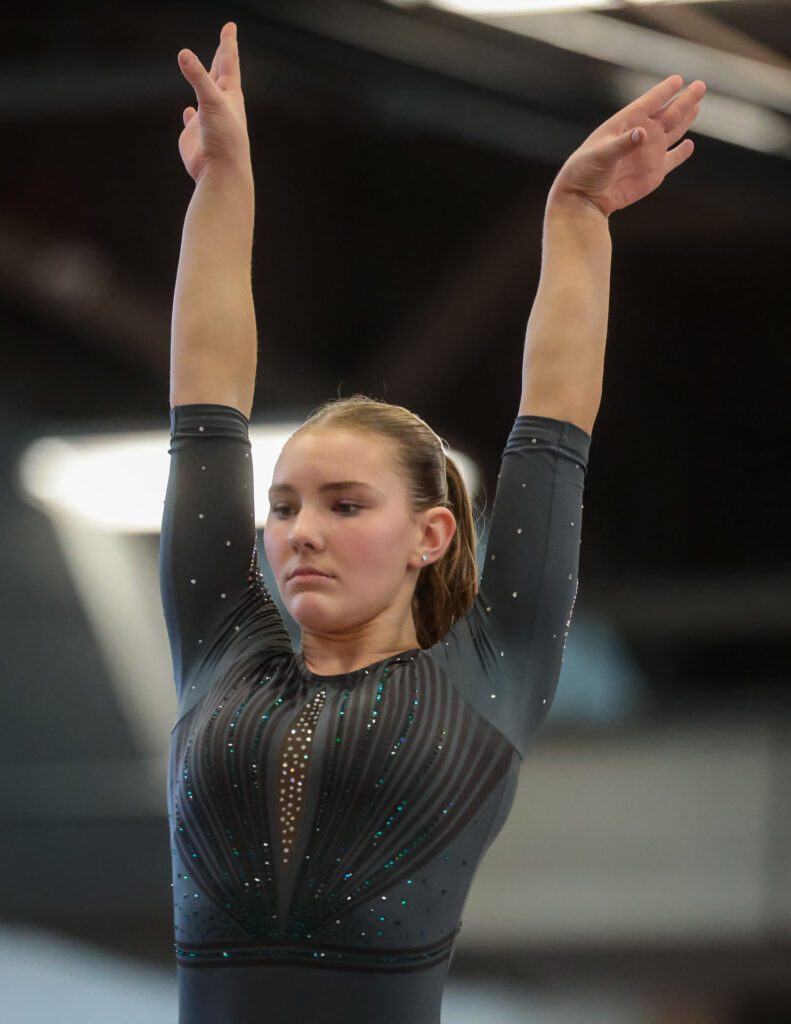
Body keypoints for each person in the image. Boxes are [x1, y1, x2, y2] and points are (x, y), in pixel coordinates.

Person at [159, 21, 705, 1024]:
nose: (297, 531)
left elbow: (552, 425)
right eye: (281, 507)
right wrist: (222, 186)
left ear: (432, 535)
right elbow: (203, 403)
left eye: (343, 503)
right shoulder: (217, 649)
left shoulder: (493, 667)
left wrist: (577, 210)